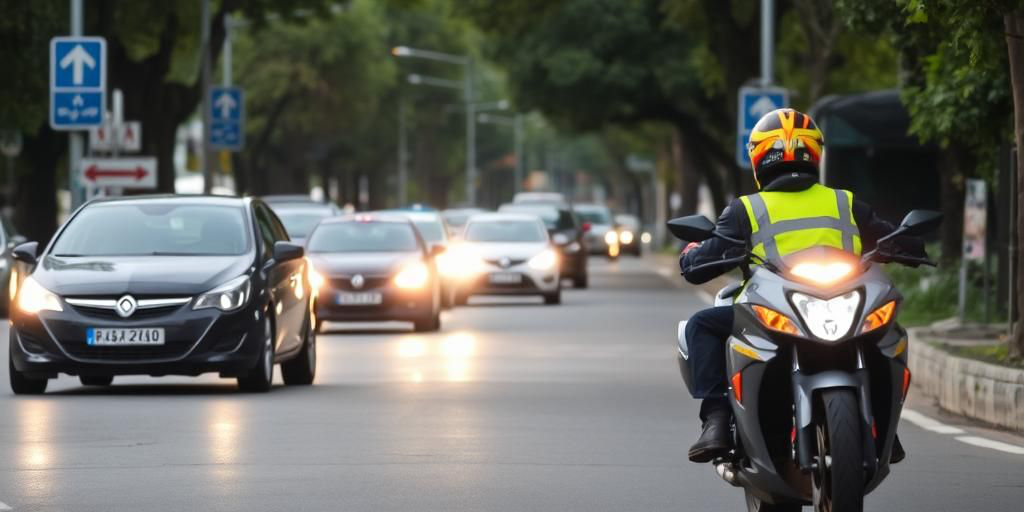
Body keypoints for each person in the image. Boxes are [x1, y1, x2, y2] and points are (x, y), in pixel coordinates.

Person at [679, 108, 922, 463]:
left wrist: (691, 255)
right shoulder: (844, 202)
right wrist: (912, 244)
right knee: (701, 325)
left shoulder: (747, 208)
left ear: (759, 158)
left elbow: (701, 263)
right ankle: (718, 420)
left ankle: (883, 427)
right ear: (815, 153)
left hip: (839, 302)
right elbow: (891, 236)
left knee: (701, 325)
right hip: (773, 310)